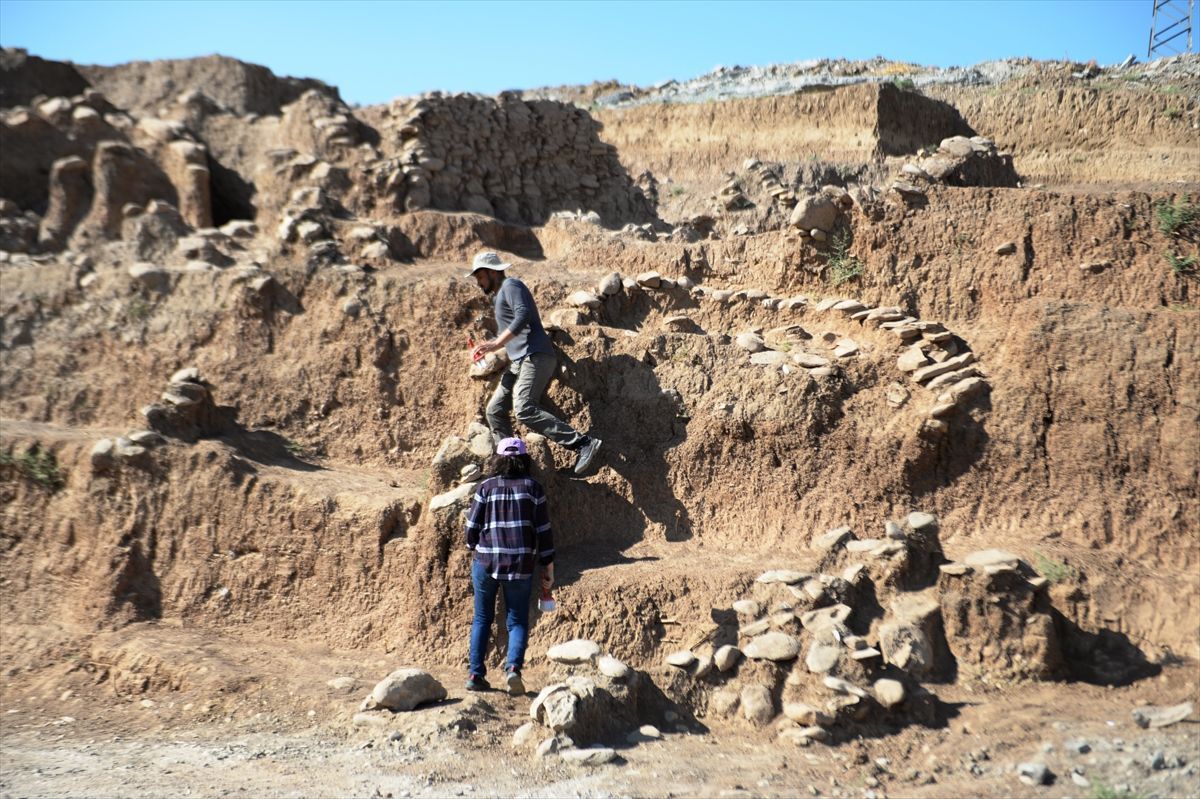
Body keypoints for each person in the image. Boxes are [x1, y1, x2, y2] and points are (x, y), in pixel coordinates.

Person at [467, 251, 602, 476]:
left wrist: (495, 343)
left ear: (491, 272)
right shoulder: (500, 295)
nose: (478, 282)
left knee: (523, 408)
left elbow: (524, 315)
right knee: (494, 410)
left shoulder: (511, 285)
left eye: (480, 276)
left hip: (535, 356)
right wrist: (490, 347)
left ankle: (582, 443)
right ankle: (510, 463)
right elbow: (514, 331)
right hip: (519, 361)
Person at [464, 436, 555, 694]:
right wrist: (547, 564)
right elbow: (544, 530)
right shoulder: (533, 488)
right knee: (516, 621)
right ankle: (513, 669)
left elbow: (471, 528)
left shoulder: (486, 487)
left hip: (486, 561)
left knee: (482, 618)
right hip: (520, 563)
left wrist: (473, 546)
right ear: (524, 459)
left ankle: (475, 674)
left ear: (498, 459)